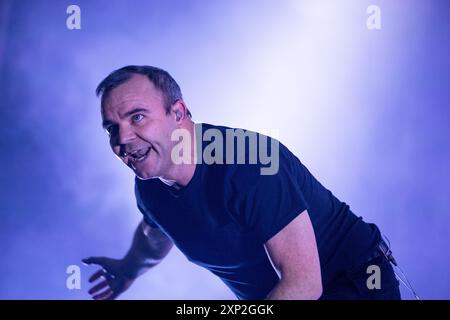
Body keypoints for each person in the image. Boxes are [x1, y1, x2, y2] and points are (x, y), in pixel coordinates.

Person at [82, 65, 401, 300]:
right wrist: (128, 269)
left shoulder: (249, 163)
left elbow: (303, 285)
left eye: (137, 117)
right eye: (111, 128)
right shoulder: (150, 187)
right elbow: (154, 235)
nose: (122, 138)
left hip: (353, 284)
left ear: (178, 113)